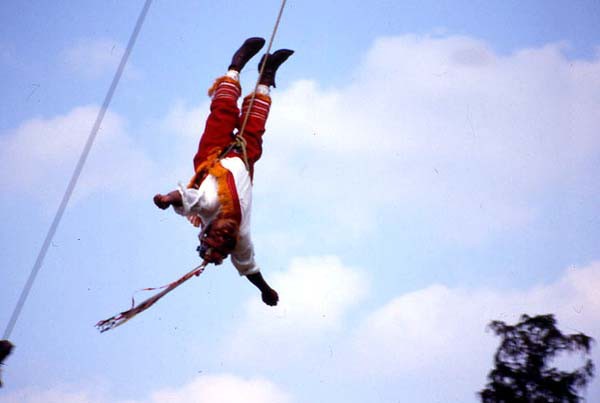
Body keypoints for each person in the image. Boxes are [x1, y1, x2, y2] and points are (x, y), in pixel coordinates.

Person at [153, 38, 293, 307]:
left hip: (213, 155)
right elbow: (249, 267)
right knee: (255, 124)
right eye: (225, 244)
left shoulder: (207, 208)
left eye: (216, 237)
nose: (225, 237)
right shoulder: (239, 239)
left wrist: (166, 200)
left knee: (222, 111)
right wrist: (265, 289)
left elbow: (185, 198)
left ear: (206, 231)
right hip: (243, 159)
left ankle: (235, 66)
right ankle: (266, 75)